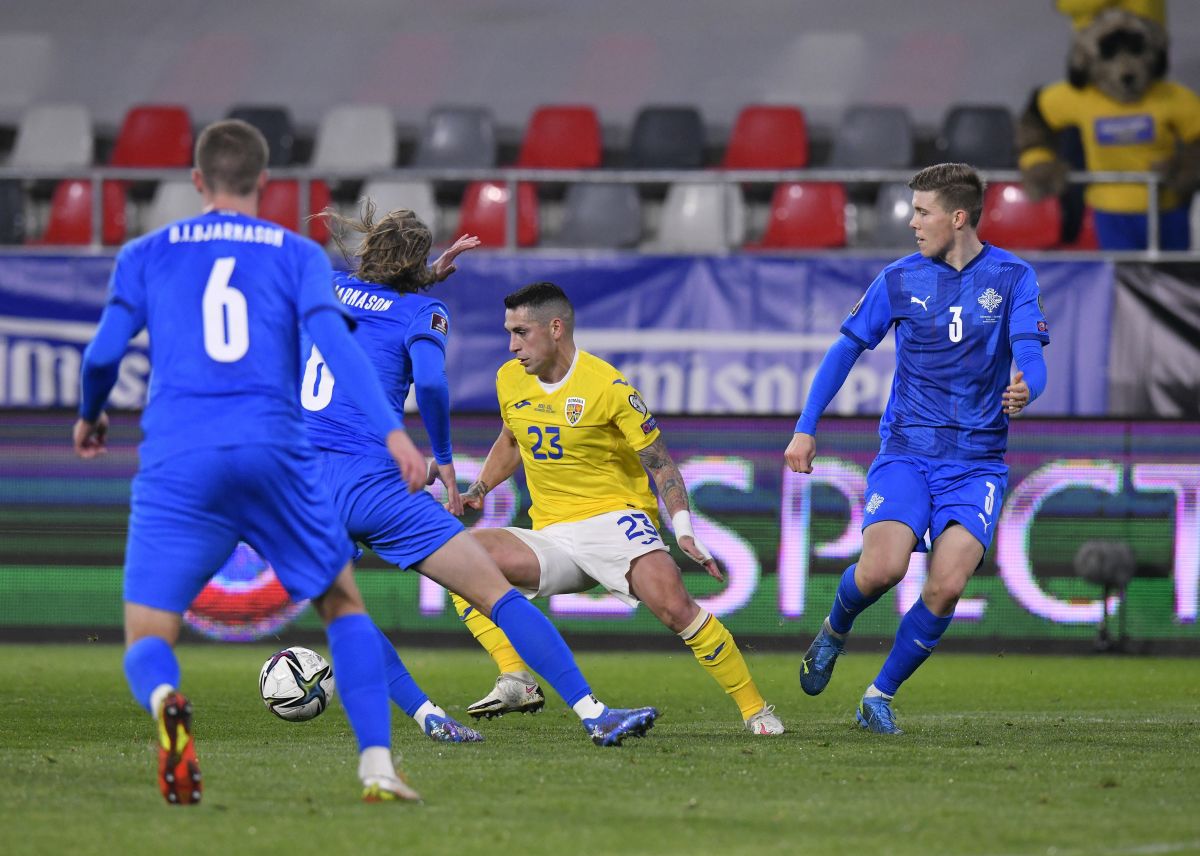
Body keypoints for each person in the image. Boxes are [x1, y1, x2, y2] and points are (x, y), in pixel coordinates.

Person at [73, 119, 427, 805]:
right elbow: (341, 348)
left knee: (148, 631)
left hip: (181, 456)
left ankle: (168, 698)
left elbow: (101, 356)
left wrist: (91, 414)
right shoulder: (297, 254)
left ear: (198, 181)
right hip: (275, 451)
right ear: (265, 183)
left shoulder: (146, 252)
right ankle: (378, 766)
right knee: (341, 601)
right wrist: (393, 433)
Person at [300, 205, 658, 748]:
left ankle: (427, 717)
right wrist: (442, 458)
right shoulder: (423, 312)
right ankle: (594, 713)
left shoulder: (322, 286)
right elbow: (433, 385)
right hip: (373, 483)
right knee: (494, 592)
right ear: (417, 264)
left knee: (345, 612)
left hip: (300, 485)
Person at [450, 282, 784, 736]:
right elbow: (511, 439)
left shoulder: (607, 386)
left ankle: (755, 709)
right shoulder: (510, 379)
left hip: (614, 520)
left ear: (555, 328)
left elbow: (661, 462)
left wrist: (683, 529)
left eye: (521, 332)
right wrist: (481, 486)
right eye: (508, 332)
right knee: (455, 558)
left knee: (674, 607)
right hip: (550, 534)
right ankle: (516, 678)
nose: (512, 345)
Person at [785, 162, 1050, 734]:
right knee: (881, 570)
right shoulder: (900, 278)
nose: (913, 223)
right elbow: (845, 350)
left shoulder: (1012, 277)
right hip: (908, 452)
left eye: (923, 211)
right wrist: (807, 425)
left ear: (958, 218)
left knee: (948, 583)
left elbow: (1031, 352)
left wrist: (1028, 386)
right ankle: (834, 629)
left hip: (977, 462)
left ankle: (877, 696)